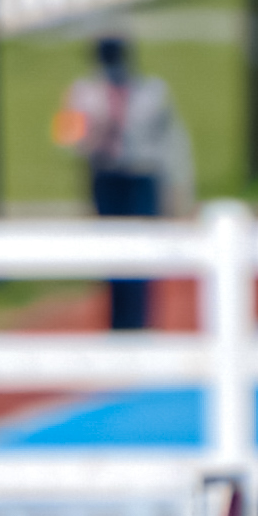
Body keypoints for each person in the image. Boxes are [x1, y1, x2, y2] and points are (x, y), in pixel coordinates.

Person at [53, 35, 195, 331]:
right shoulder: (85, 94)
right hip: (107, 176)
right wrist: (91, 132)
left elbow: (172, 142)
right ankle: (118, 326)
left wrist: (179, 188)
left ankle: (142, 325)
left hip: (142, 177)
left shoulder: (151, 92)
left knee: (143, 253)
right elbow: (67, 137)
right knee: (112, 253)